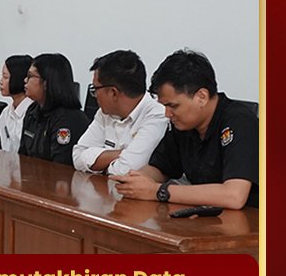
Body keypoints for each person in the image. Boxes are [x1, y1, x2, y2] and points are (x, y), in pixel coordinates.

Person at [111, 50, 259, 209]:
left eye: (173, 106)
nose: (167, 114)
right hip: (205, 216)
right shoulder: (183, 125)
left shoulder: (240, 121)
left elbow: (234, 196)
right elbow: (160, 168)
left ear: (201, 97)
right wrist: (137, 180)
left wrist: (158, 191)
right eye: (164, 106)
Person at [72, 50, 168, 176]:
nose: (94, 95)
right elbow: (78, 156)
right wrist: (124, 153)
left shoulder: (158, 114)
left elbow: (125, 171)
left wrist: (99, 162)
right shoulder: (104, 113)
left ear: (113, 93)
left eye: (95, 88)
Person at [19, 53, 90, 164]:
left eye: (30, 76)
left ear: (46, 83)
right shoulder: (33, 110)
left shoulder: (68, 119)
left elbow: (61, 167)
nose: (25, 80)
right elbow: (22, 156)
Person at [0, 55, 33, 153]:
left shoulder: (33, 113)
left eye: (5, 77)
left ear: (19, 78)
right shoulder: (5, 113)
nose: (0, 81)